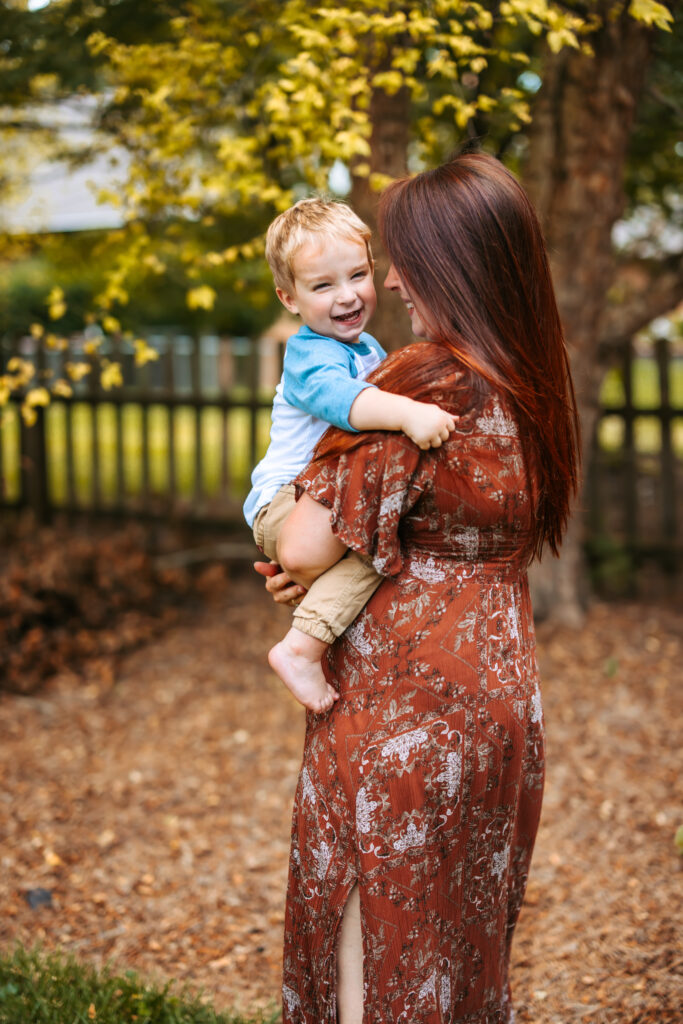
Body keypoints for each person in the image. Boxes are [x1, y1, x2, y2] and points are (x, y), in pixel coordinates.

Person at [256, 151, 580, 1023]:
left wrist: (305, 568)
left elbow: (304, 540)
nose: (391, 279)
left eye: (400, 260)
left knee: (379, 927)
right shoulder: (530, 380)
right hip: (502, 692)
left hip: (405, 703)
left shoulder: (424, 378)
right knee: (462, 934)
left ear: (451, 265)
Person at [244, 197, 456, 713]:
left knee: (374, 553)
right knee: (377, 552)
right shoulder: (310, 355)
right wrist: (407, 412)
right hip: (284, 500)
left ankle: (308, 633)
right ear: (288, 298)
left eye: (357, 274)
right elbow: (346, 403)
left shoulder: (367, 349)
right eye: (322, 286)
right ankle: (300, 648)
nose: (347, 296)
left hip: (316, 503)